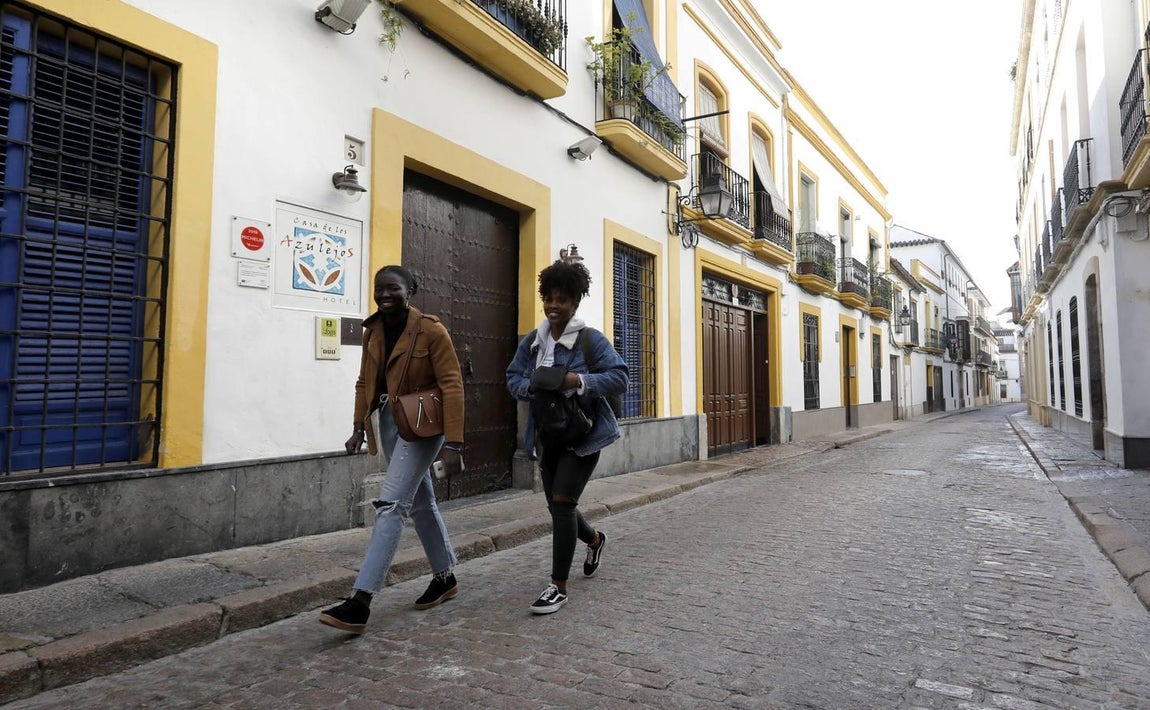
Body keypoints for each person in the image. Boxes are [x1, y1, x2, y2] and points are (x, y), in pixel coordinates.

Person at [319, 265, 465, 634]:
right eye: (378, 288)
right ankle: (444, 577)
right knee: (420, 501)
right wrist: (358, 427)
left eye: (393, 288)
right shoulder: (373, 331)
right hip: (389, 422)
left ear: (410, 290)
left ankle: (361, 600)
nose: (384, 295)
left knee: (391, 504)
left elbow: (452, 385)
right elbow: (364, 382)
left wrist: (454, 443)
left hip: (423, 426)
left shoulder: (431, 330)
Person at [506, 259, 628, 614]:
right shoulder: (533, 343)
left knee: (562, 504)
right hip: (547, 436)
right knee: (559, 507)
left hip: (584, 435)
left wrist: (577, 381)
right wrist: (533, 384)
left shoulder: (590, 341)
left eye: (562, 299)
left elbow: (619, 376)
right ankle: (595, 539)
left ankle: (557, 586)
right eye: (549, 298)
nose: (554, 305)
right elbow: (511, 379)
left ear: (575, 302)